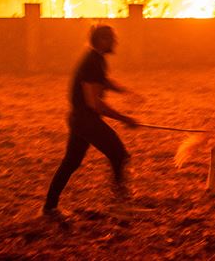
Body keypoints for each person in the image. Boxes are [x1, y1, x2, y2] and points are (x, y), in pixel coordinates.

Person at [42, 24, 141, 218]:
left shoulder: (96, 58)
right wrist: (124, 118)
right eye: (112, 38)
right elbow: (94, 103)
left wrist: (125, 91)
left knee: (71, 162)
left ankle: (49, 208)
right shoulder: (93, 61)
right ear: (102, 41)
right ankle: (120, 206)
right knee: (119, 155)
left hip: (80, 119)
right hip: (86, 120)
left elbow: (102, 81)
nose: (116, 42)